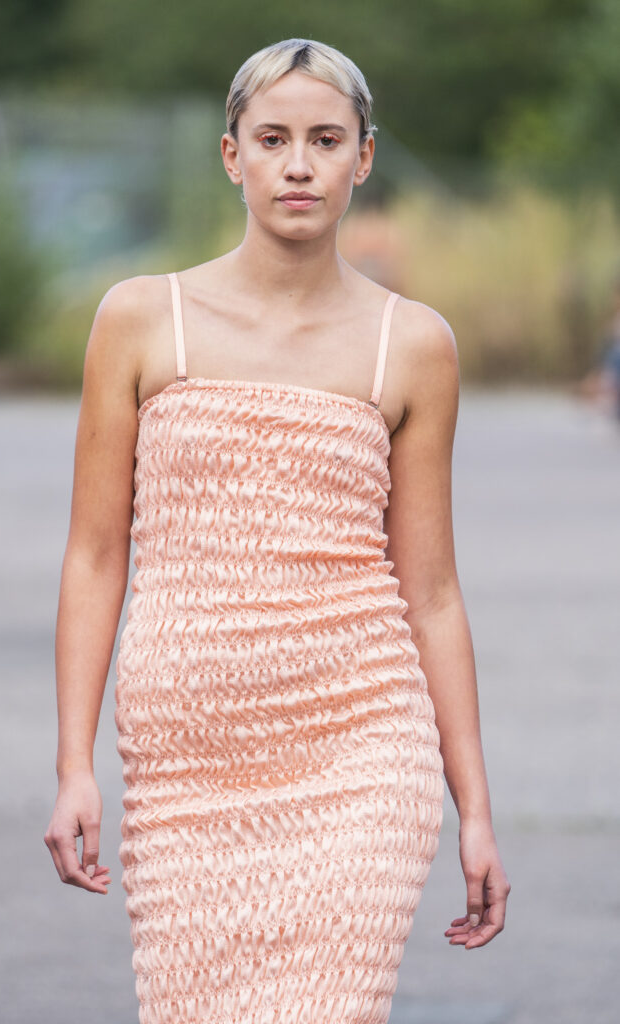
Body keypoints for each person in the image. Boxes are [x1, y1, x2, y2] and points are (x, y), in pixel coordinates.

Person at [44, 37, 510, 1023]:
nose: (299, 164)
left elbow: (430, 592)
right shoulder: (140, 319)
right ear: (232, 155)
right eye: (272, 139)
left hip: (359, 746)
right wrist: (73, 763)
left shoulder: (411, 344)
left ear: (363, 158)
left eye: (325, 140)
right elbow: (94, 555)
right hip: (186, 761)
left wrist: (473, 810)